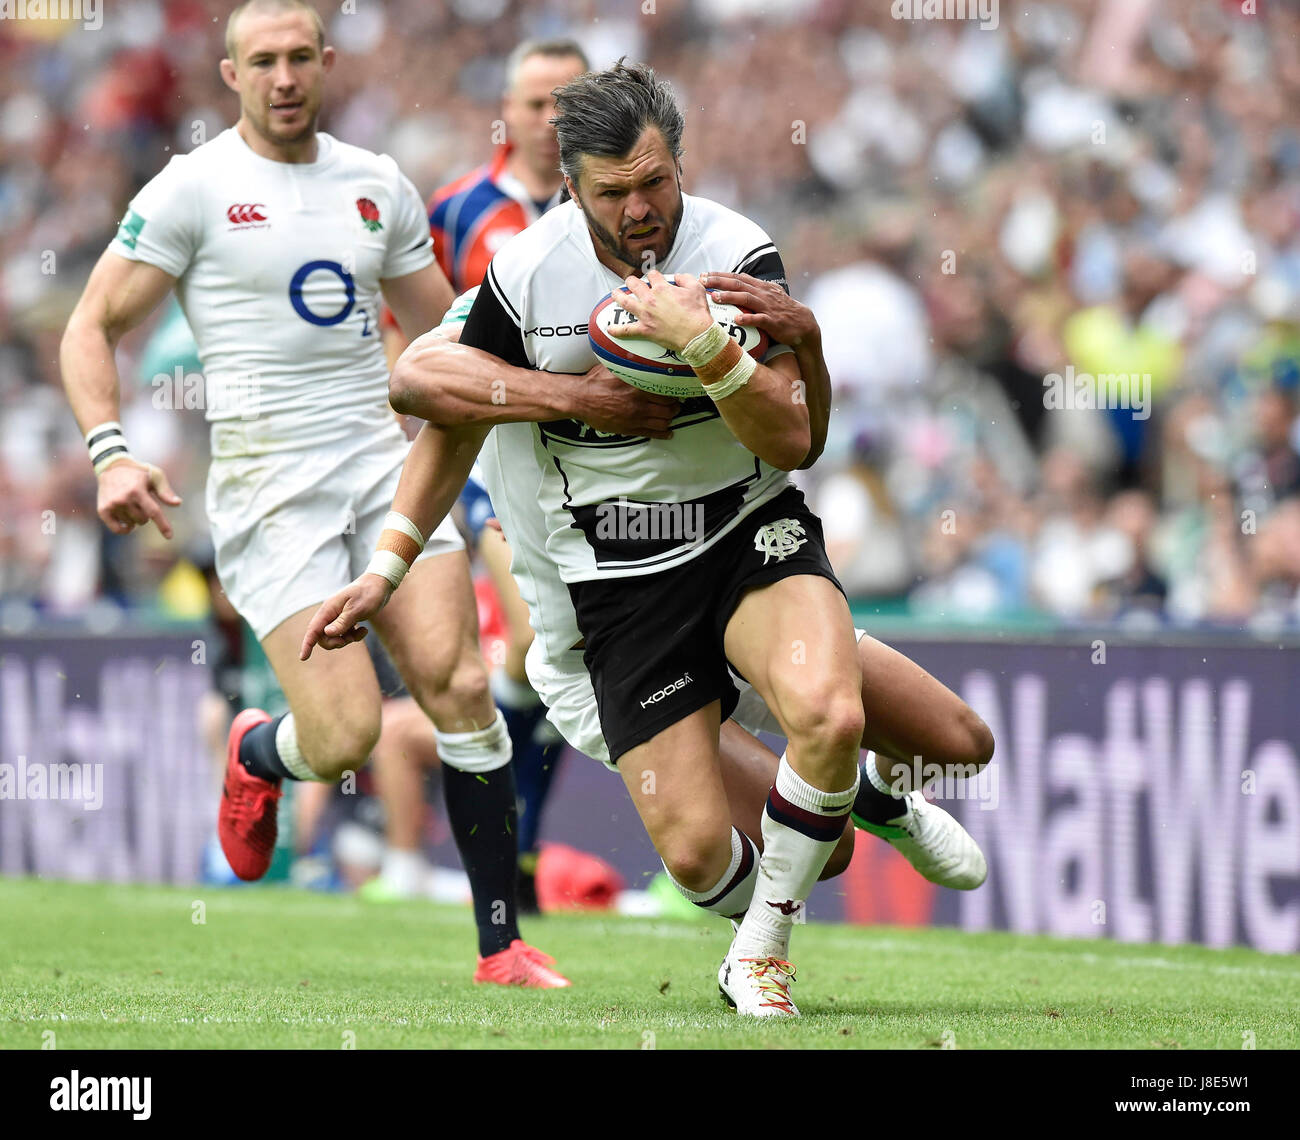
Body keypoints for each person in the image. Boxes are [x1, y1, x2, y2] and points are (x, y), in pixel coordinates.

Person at [304, 62, 993, 1016]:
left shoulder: (739, 252)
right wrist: (394, 561)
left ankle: (762, 956)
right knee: (731, 856)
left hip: (746, 538)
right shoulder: (527, 272)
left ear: (680, 161)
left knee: (939, 738)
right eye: (614, 191)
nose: (640, 209)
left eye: (655, 180)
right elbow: (426, 395)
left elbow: (795, 438)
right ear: (570, 184)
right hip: (617, 595)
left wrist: (713, 346)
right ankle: (865, 803)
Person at [58, 0, 566, 987]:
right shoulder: (192, 189)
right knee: (346, 737)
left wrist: (545, 377)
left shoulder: (376, 185)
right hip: (267, 491)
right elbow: (89, 324)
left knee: (463, 689)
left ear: (327, 63)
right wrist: (111, 453)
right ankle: (259, 756)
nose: (284, 77)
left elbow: (445, 329)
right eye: (264, 62)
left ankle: (500, 944)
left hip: (383, 466)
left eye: (300, 57)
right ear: (230, 75)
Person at [379, 40, 591, 911]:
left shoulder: (618, 211)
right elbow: (408, 330)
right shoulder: (460, 211)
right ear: (506, 111)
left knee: (562, 652)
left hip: (588, 464)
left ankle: (524, 851)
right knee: (549, 642)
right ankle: (515, 857)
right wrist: (415, 430)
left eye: (567, 104)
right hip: (487, 465)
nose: (551, 122)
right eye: (536, 104)